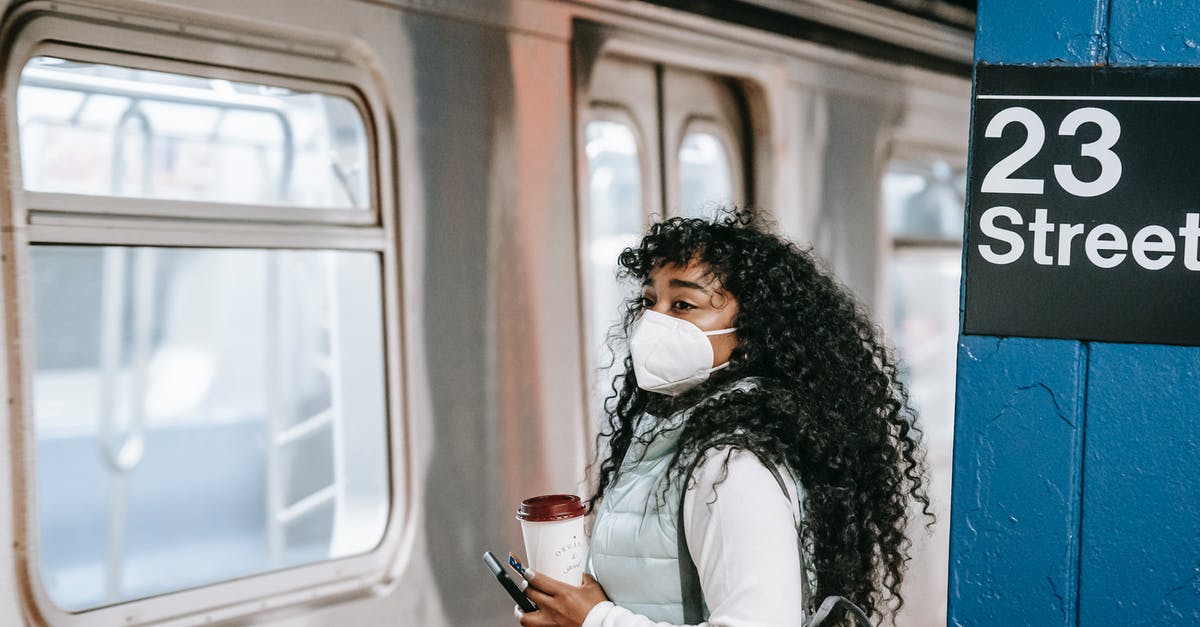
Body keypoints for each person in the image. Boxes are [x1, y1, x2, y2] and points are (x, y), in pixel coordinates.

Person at [517, 209, 929, 627]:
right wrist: (577, 607)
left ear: (752, 330)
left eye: (683, 305)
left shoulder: (732, 465)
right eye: (649, 302)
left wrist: (594, 620)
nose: (654, 321)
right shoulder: (670, 440)